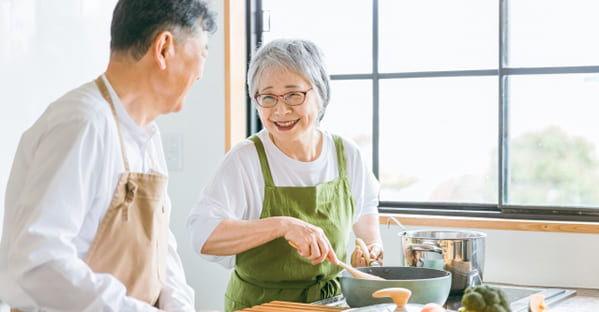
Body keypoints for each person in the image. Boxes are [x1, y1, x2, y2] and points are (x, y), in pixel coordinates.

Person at [0, 0, 216, 311]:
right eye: (204, 51)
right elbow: (39, 261)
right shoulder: (83, 123)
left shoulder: (148, 136)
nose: (201, 72)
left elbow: (160, 250)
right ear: (164, 49)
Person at [187, 38, 384, 311]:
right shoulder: (246, 159)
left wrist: (371, 249)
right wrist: (283, 225)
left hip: (333, 303)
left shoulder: (347, 154)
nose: (280, 110)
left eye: (293, 95)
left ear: (321, 93)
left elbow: (365, 206)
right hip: (260, 305)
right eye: (267, 97)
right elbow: (202, 235)